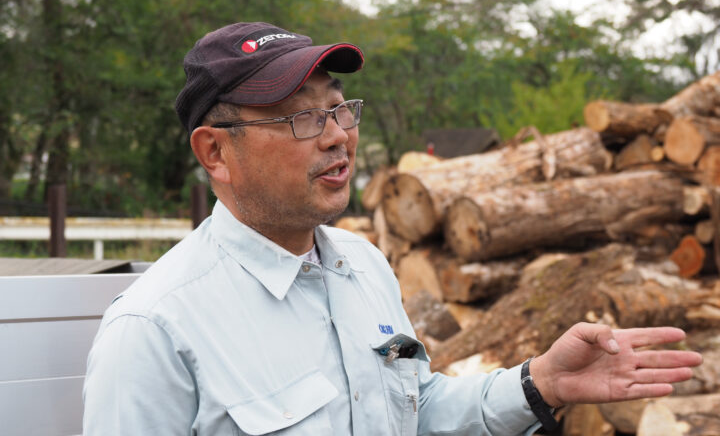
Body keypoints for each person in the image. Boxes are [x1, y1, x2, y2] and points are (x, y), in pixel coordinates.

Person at [82, 22, 703, 435]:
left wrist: (542, 382)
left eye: (337, 108)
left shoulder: (365, 268)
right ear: (215, 153)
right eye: (300, 120)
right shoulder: (156, 330)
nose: (336, 137)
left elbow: (417, 407)